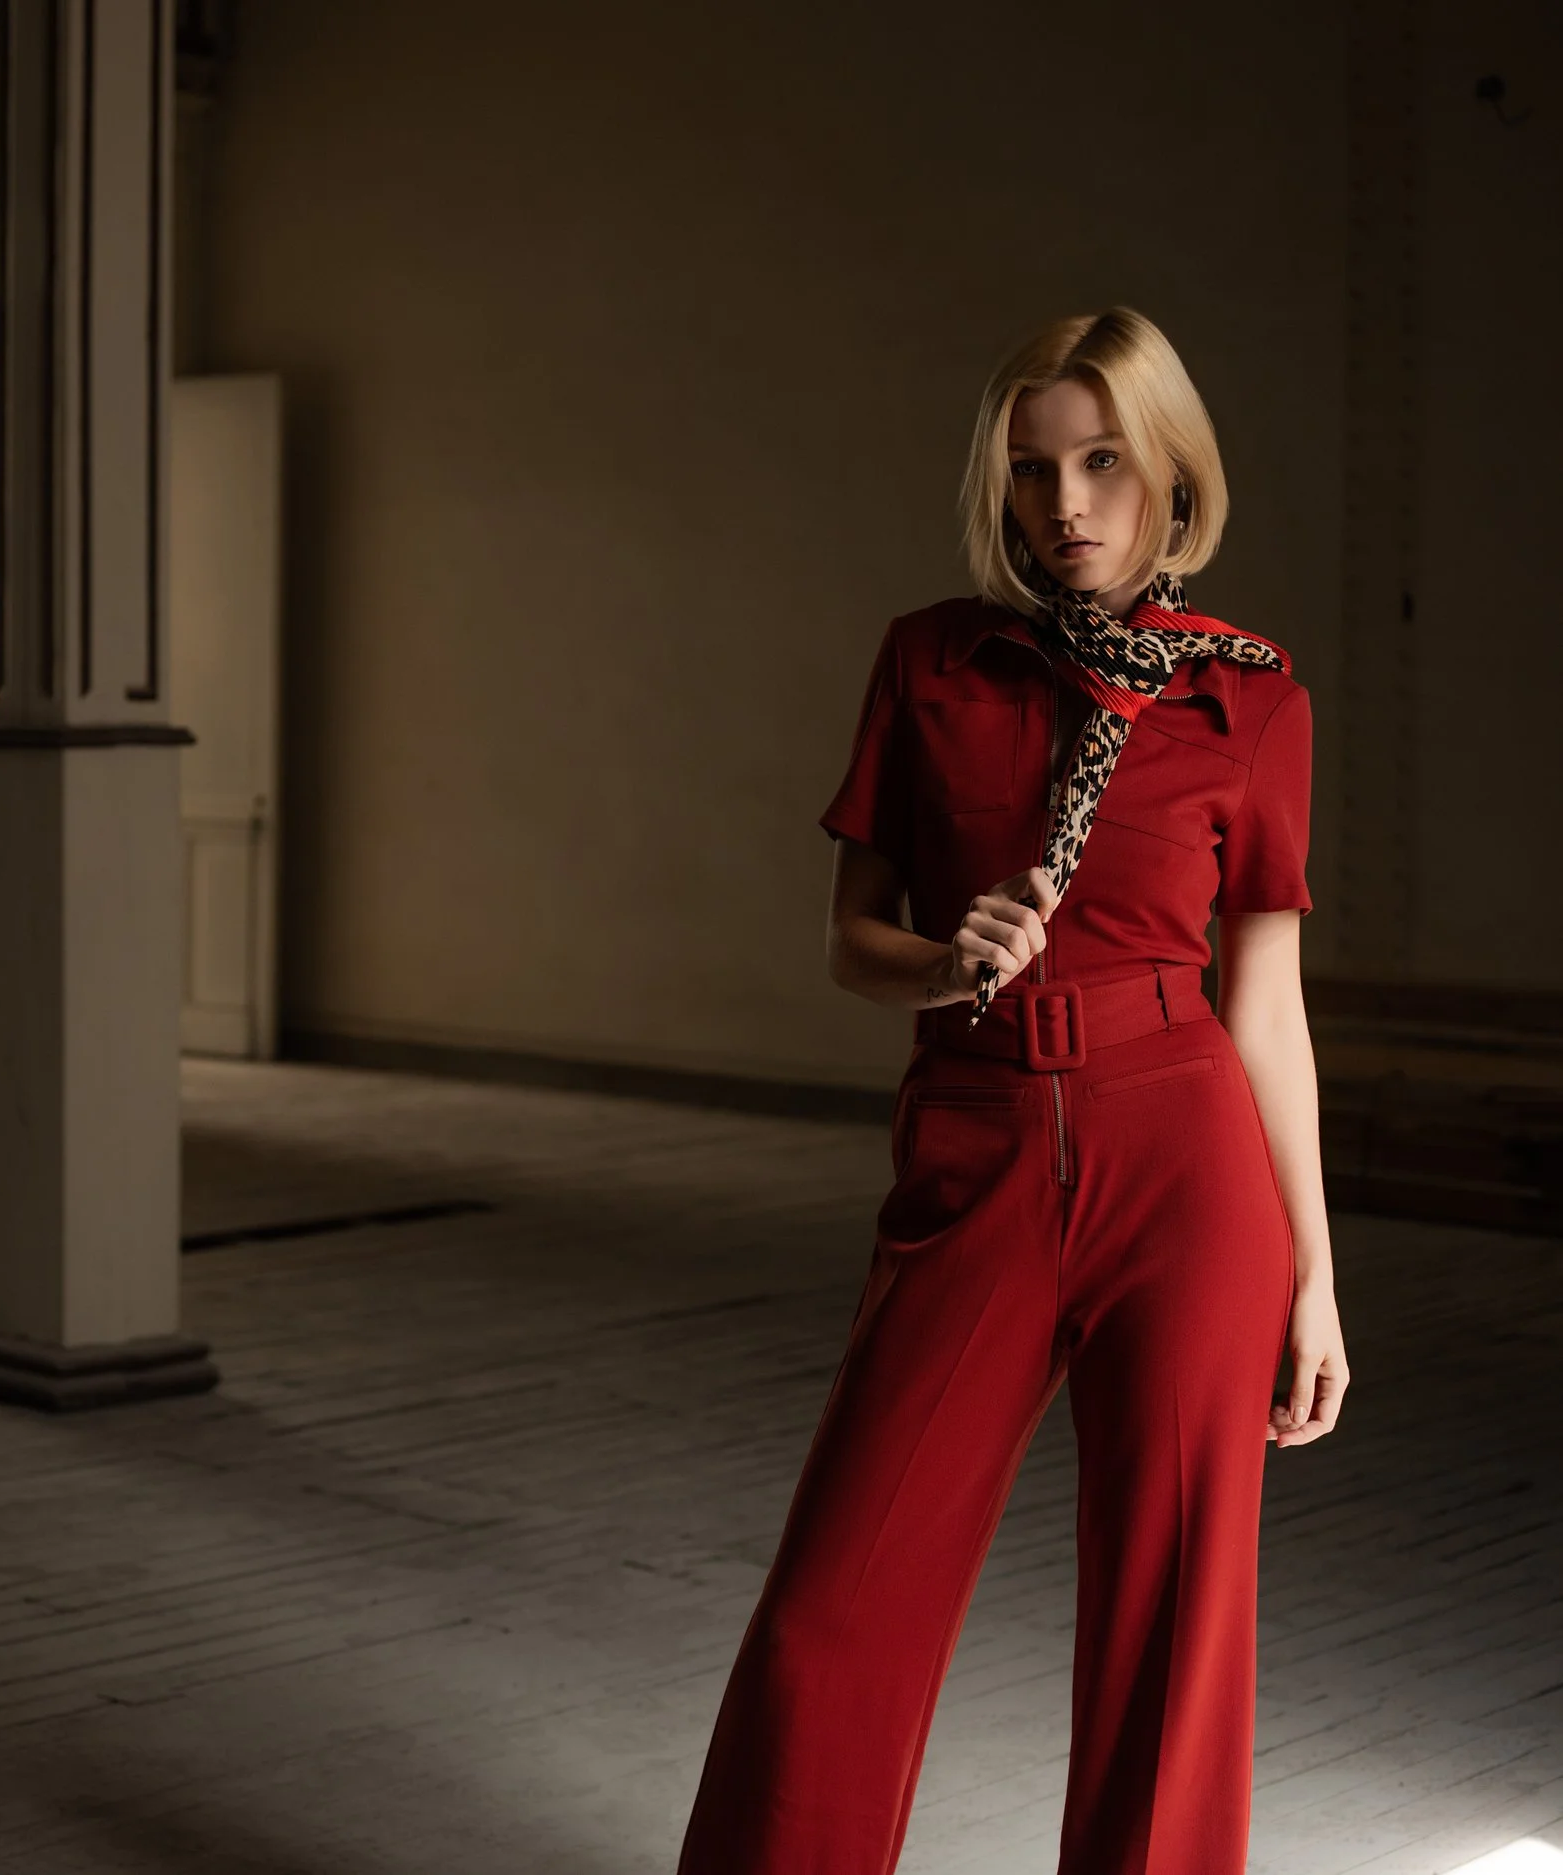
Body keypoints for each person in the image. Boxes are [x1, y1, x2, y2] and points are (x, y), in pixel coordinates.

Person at [674, 306, 1351, 1874]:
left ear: (1170, 471)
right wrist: (938, 963)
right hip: (976, 1142)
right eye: (1037, 467)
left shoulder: (1252, 700)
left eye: (1106, 460)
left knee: (1175, 1633)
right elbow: (854, 939)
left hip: (1187, 1160)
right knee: (834, 1613)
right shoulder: (934, 659)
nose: (1071, 503)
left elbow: (1265, 1003)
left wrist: (1314, 1278)